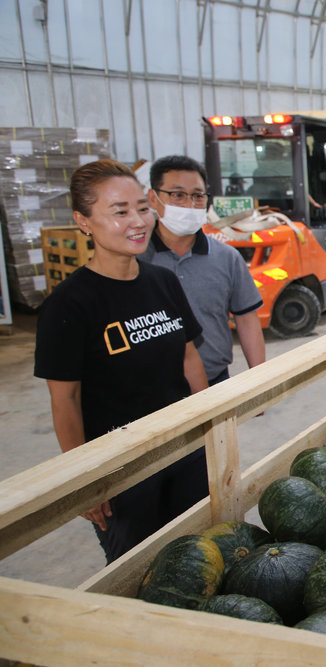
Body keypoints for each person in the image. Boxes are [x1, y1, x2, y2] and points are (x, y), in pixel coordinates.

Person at [34, 159, 209, 563]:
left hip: (184, 451)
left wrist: (209, 427)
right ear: (83, 220)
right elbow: (66, 400)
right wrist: (83, 479)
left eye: (141, 208)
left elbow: (188, 358)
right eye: (119, 211)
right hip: (122, 471)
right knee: (139, 572)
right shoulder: (68, 306)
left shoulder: (162, 281)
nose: (138, 222)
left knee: (200, 558)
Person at [143, 155, 265, 386]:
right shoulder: (136, 260)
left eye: (198, 196)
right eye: (177, 195)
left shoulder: (226, 257)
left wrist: (259, 383)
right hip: (151, 391)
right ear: (153, 198)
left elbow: (247, 320)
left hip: (215, 381)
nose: (190, 205)